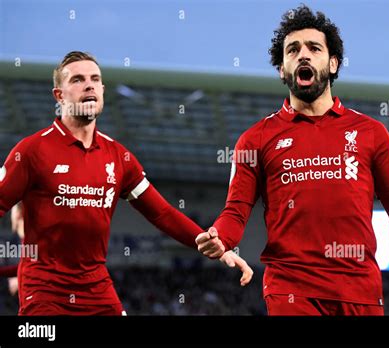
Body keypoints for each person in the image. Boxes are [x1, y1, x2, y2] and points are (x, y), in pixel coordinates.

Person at [195, 5, 389, 316]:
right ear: (282, 69)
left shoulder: (371, 133)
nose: (303, 55)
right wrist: (221, 236)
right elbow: (236, 210)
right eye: (293, 50)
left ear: (333, 63)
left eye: (314, 48)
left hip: (360, 291)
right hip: (291, 290)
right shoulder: (255, 139)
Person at [0, 51, 252, 316]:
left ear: (102, 90)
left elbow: (161, 212)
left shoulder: (118, 157)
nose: (89, 85)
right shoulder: (32, 151)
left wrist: (215, 247)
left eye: (95, 79)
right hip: (45, 292)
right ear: (59, 95)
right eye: (77, 79)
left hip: (97, 289)